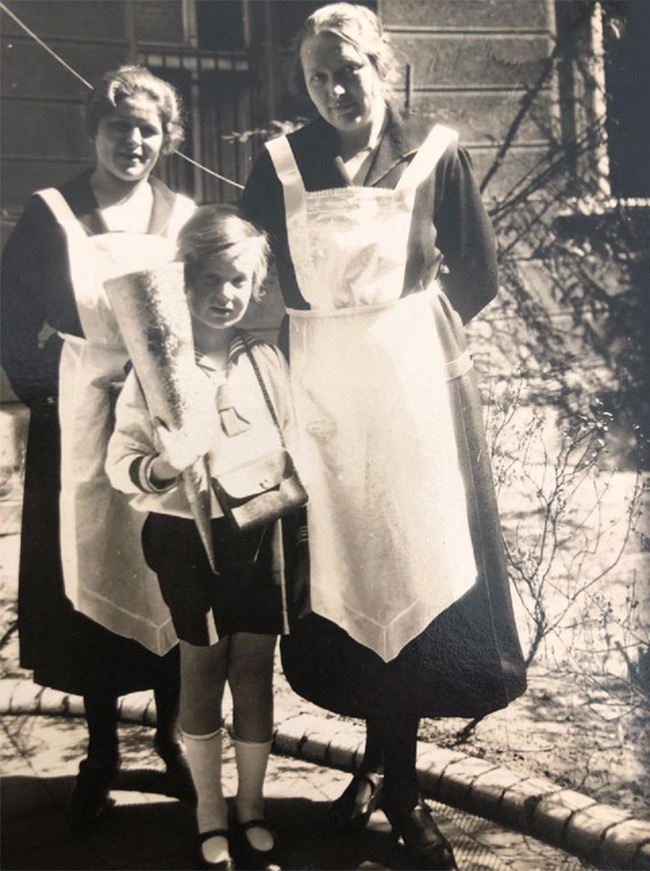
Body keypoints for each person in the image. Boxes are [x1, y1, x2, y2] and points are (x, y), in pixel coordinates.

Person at [242, 4, 527, 868]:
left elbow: (476, 271)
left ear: (383, 65)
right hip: (321, 400)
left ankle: (399, 788)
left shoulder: (436, 153)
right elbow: (247, 271)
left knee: (412, 563)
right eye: (319, 77)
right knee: (345, 571)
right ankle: (375, 765)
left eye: (350, 71)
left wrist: (405, 339)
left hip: (411, 399)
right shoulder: (278, 163)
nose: (336, 89)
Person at [1, 65, 196, 827]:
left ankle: (173, 742)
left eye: (149, 130)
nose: (135, 142)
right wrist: (44, 385)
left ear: (166, 138)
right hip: (79, 412)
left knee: (168, 570)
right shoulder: (54, 214)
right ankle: (103, 747)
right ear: (95, 132)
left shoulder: (181, 214)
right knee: (89, 575)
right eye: (121, 128)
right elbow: (9, 307)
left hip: (162, 416)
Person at [107, 204, 296, 871]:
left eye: (238, 281)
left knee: (253, 669)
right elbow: (122, 459)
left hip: (256, 531)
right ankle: (208, 808)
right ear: (182, 285)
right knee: (202, 668)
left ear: (256, 285)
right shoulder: (158, 366)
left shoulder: (264, 357)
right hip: (188, 538)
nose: (224, 294)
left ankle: (251, 803)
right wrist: (165, 462)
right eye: (210, 280)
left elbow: (294, 439)